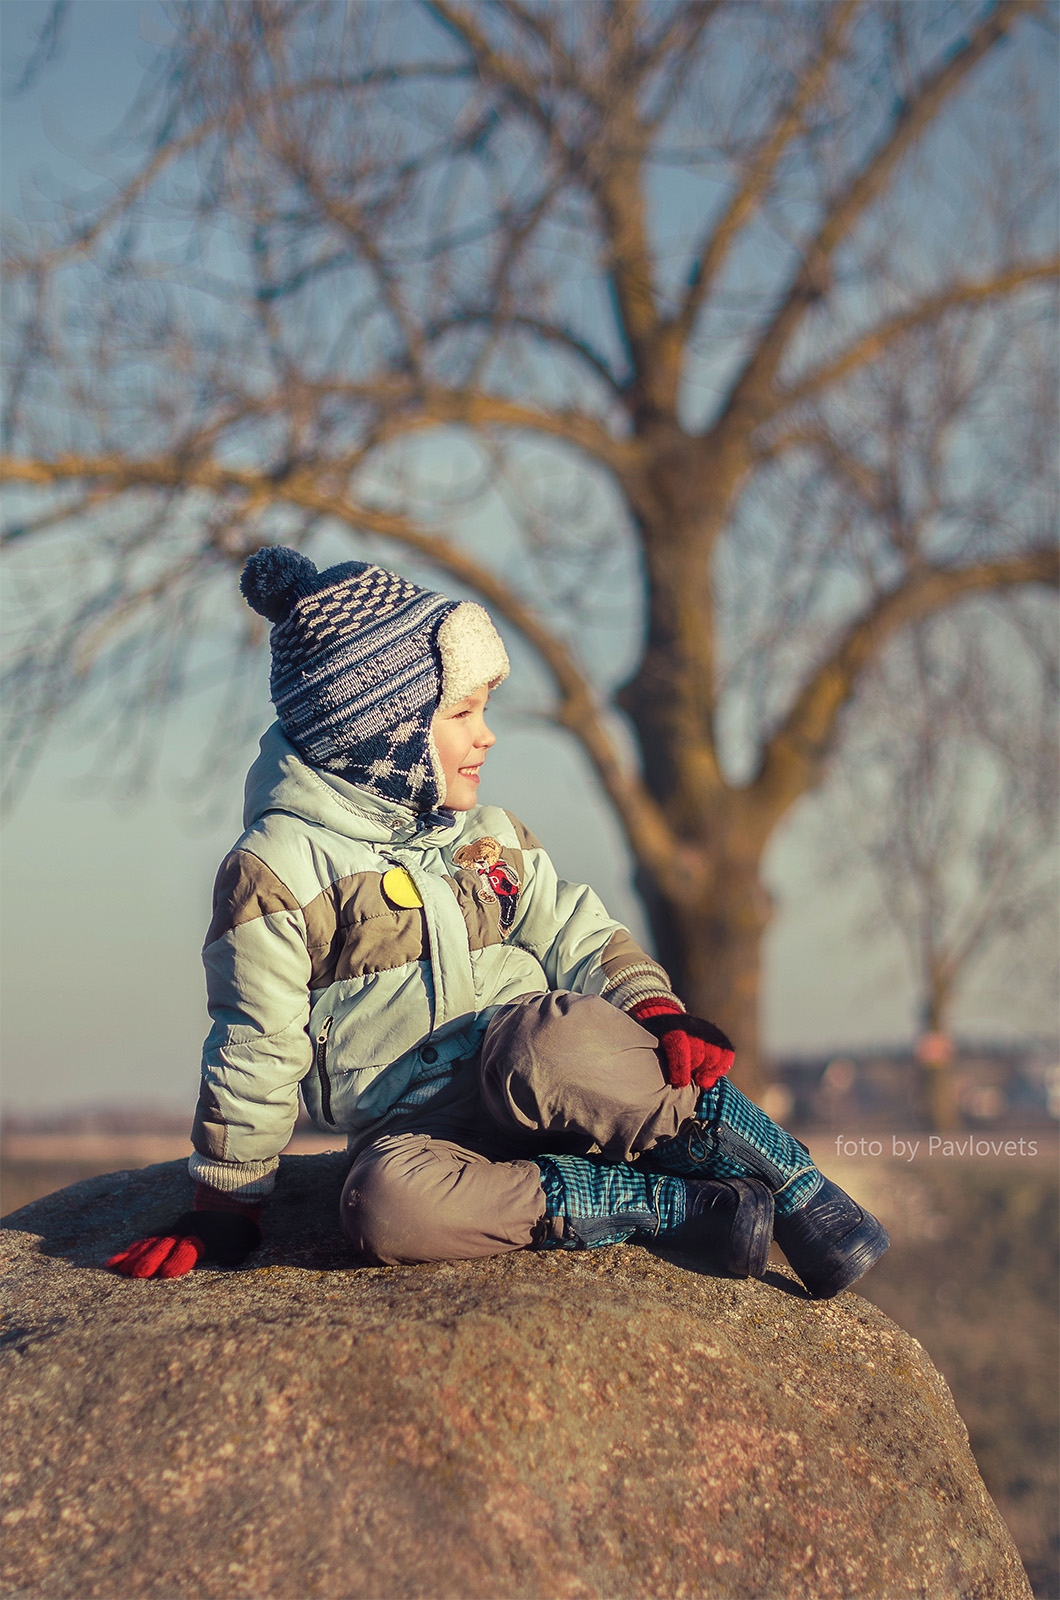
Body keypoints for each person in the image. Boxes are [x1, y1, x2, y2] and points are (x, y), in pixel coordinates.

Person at [109, 548, 888, 1298]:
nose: (487, 734)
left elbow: (573, 930)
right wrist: (227, 1203)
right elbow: (256, 1041)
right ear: (386, 729)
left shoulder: (488, 837)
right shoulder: (278, 870)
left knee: (547, 1042)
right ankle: (662, 1205)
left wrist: (653, 1008)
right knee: (380, 1205)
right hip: (420, 1127)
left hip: (545, 1083)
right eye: (464, 712)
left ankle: (787, 1181)